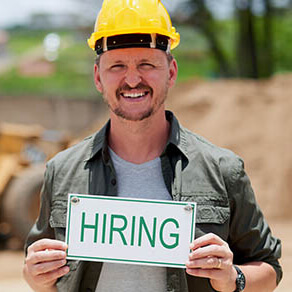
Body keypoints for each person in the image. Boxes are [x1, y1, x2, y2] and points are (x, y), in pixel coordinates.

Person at [23, 0, 282, 291]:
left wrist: (233, 278)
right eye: (117, 66)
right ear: (98, 77)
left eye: (147, 64)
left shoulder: (223, 171)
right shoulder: (62, 171)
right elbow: (39, 273)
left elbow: (269, 268)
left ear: (171, 72)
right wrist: (37, 279)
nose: (132, 79)